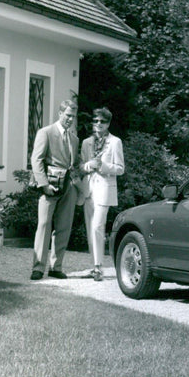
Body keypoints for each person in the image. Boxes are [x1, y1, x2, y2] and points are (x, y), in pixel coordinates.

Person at [30, 99, 81, 281]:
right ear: (60, 113)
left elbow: (75, 164)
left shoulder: (74, 139)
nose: (70, 119)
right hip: (49, 187)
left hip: (69, 188)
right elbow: (36, 160)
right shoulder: (46, 133)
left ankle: (55, 266)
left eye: (73, 117)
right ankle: (38, 268)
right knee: (43, 225)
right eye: (67, 115)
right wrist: (44, 185)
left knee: (64, 227)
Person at [80, 107, 124, 281]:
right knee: (90, 228)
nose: (98, 124)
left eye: (102, 121)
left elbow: (120, 169)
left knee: (98, 226)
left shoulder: (115, 142)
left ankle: (98, 267)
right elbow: (81, 167)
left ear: (108, 123)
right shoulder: (86, 143)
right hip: (88, 189)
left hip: (105, 189)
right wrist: (89, 165)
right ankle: (94, 266)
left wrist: (103, 166)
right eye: (96, 120)